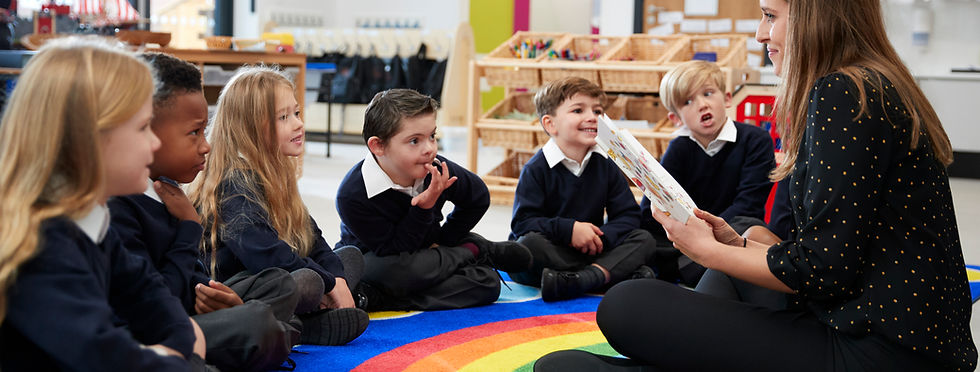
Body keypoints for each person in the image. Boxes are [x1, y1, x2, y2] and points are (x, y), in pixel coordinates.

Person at [535, 0, 977, 370]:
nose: (762, 35)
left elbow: (824, 270)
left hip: (877, 348)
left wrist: (708, 249)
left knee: (625, 305)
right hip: (895, 332)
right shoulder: (873, 83)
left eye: (770, 15)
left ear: (814, 15)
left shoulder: (842, 92)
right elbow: (847, 254)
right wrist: (735, 246)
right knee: (724, 268)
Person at [0, 37, 207, 370]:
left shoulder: (91, 223)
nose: (154, 143)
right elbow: (103, 355)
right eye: (143, 128)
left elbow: (150, 295)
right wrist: (179, 357)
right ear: (89, 139)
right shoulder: (41, 246)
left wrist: (180, 343)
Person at [108, 52, 299, 371]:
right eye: (194, 133)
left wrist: (224, 302)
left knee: (280, 285)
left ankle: (280, 333)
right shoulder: (122, 205)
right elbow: (154, 303)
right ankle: (289, 333)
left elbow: (190, 277)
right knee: (258, 323)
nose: (206, 145)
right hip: (156, 327)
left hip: (184, 306)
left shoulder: (163, 188)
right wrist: (188, 227)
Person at [188, 66, 369, 346]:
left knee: (349, 257)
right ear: (249, 129)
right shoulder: (234, 182)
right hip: (236, 288)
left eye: (296, 113)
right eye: (283, 117)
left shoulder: (277, 170)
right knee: (307, 280)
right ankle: (303, 326)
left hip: (275, 277)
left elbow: (312, 236)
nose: (298, 123)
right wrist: (330, 284)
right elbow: (266, 257)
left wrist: (336, 278)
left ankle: (302, 321)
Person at [335, 88, 532, 311]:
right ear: (378, 146)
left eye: (432, 136)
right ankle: (472, 250)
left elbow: (478, 196)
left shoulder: (436, 168)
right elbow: (393, 250)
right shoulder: (352, 194)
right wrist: (424, 208)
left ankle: (376, 299)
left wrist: (446, 239)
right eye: (414, 141)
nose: (429, 148)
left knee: (487, 284)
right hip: (381, 259)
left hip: (427, 253)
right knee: (384, 271)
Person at [509, 76, 659, 302]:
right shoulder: (536, 169)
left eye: (597, 111)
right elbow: (523, 223)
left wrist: (601, 237)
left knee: (644, 238)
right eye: (578, 110)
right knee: (528, 246)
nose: (592, 117)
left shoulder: (606, 164)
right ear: (550, 124)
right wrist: (570, 230)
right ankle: (608, 274)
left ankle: (581, 279)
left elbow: (628, 215)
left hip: (594, 247)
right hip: (553, 248)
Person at [638, 60, 777, 286]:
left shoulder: (755, 140)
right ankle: (687, 268)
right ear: (675, 118)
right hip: (686, 238)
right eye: (688, 101)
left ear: (727, 98)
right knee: (641, 237)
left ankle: (678, 269)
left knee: (748, 227)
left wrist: (703, 236)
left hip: (731, 233)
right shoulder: (679, 148)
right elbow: (651, 208)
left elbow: (749, 203)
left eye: (708, 93)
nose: (702, 105)